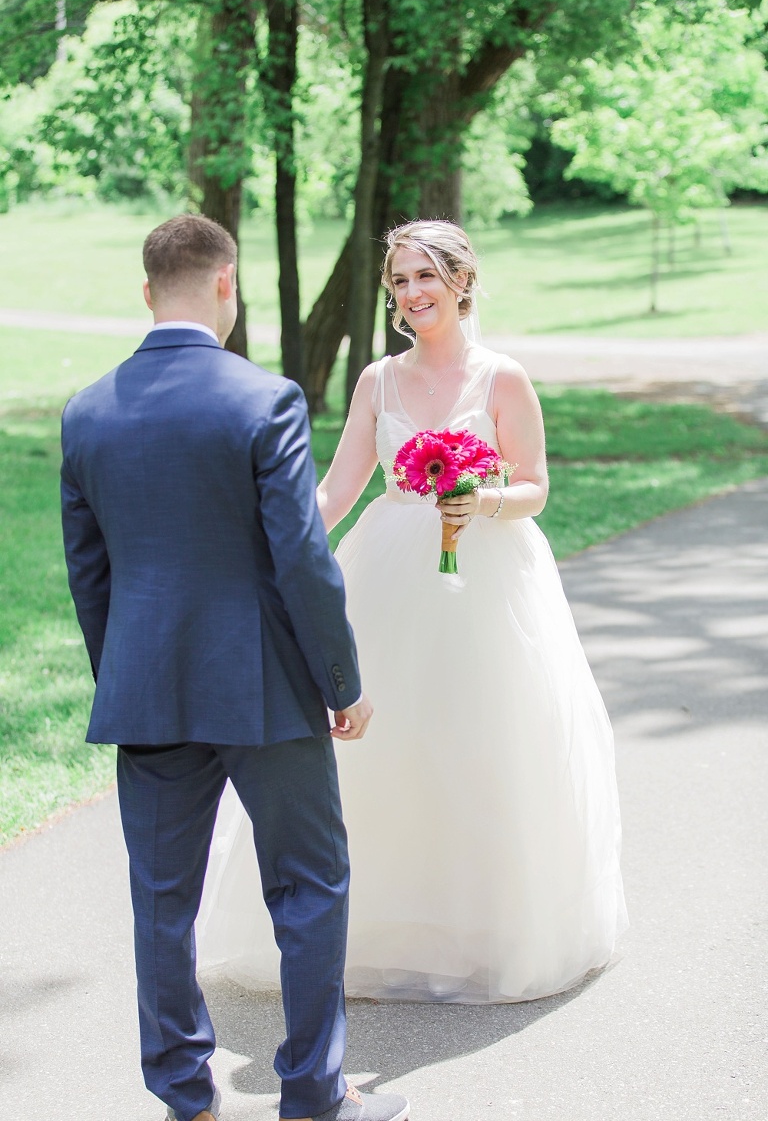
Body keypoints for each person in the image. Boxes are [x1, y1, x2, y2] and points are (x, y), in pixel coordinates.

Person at [197, 219, 627, 1005]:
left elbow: (534, 486)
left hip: (486, 576)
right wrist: (273, 552)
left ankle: (486, 927)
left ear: (462, 281)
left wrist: (482, 497)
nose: (412, 293)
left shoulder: (503, 379)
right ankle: (380, 931)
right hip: (389, 570)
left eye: (426, 276)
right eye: (399, 280)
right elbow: (336, 491)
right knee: (385, 748)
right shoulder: (377, 381)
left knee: (479, 740)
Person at [60, 213, 409, 1121]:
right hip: (265, 692)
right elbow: (299, 558)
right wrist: (342, 679)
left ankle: (185, 1093)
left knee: (161, 902)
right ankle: (313, 1096)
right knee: (308, 884)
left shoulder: (87, 411)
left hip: (148, 692)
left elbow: (88, 574)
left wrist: (129, 677)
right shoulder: (265, 399)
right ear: (227, 284)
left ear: (147, 293)